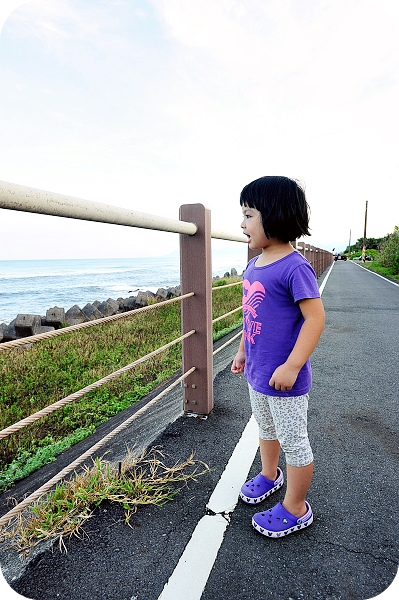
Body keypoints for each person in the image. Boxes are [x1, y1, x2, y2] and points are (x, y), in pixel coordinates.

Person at [231, 176, 325, 538]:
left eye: (249, 214)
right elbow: (249, 316)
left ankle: (296, 507)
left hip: (285, 378)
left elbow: (315, 318)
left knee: (293, 440)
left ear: (275, 215)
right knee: (266, 429)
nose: (242, 223)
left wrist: (293, 365)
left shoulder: (295, 266)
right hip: (258, 372)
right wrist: (242, 351)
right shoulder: (254, 266)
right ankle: (269, 475)